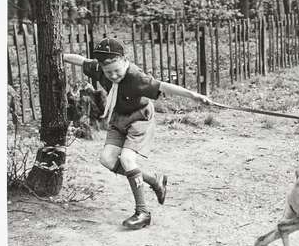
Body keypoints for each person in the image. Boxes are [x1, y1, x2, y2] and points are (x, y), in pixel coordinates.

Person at [64, 37, 213, 230]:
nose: (114, 76)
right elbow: (81, 60)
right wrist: (61, 56)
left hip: (139, 118)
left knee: (127, 159)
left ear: (125, 61)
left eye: (117, 70)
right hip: (118, 117)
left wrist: (194, 95)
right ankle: (154, 181)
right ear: (101, 67)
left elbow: (163, 86)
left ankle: (143, 212)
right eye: (109, 73)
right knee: (107, 160)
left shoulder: (136, 77)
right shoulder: (100, 68)